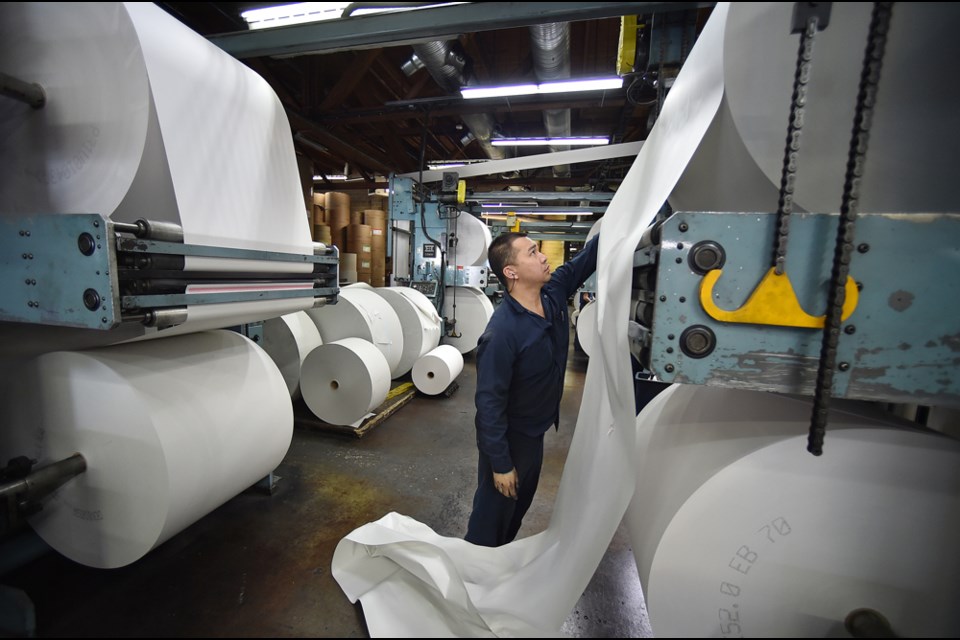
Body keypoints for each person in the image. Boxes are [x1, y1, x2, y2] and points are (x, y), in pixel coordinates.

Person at [465, 232, 599, 547]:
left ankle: (496, 571)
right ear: (511, 272)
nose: (542, 257)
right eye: (532, 252)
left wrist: (628, 212)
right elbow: (489, 404)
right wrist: (501, 464)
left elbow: (587, 258)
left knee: (516, 512)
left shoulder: (552, 293)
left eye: (538, 250)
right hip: (509, 439)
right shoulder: (502, 332)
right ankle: (470, 582)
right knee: (490, 521)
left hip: (535, 433)